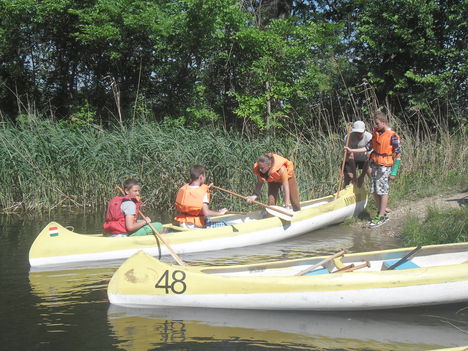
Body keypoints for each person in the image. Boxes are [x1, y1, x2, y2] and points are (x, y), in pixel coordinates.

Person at [345, 112, 401, 228]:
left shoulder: (393, 135)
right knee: (374, 190)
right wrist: (351, 150)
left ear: (384, 122)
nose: (375, 126)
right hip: (374, 163)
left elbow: (398, 154)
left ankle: (381, 216)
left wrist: (394, 171)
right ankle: (382, 211)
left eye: (377, 123)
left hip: (385, 166)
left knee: (382, 190)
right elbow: (367, 148)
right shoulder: (376, 133)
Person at [344, 120, 372, 187]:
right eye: (356, 132)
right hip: (352, 159)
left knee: (372, 175)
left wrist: (362, 176)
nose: (358, 134)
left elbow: (368, 158)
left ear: (364, 131)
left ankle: (374, 191)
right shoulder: (348, 137)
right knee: (349, 177)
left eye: (360, 132)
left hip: (365, 159)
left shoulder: (369, 137)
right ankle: (348, 191)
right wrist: (354, 176)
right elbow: (350, 157)